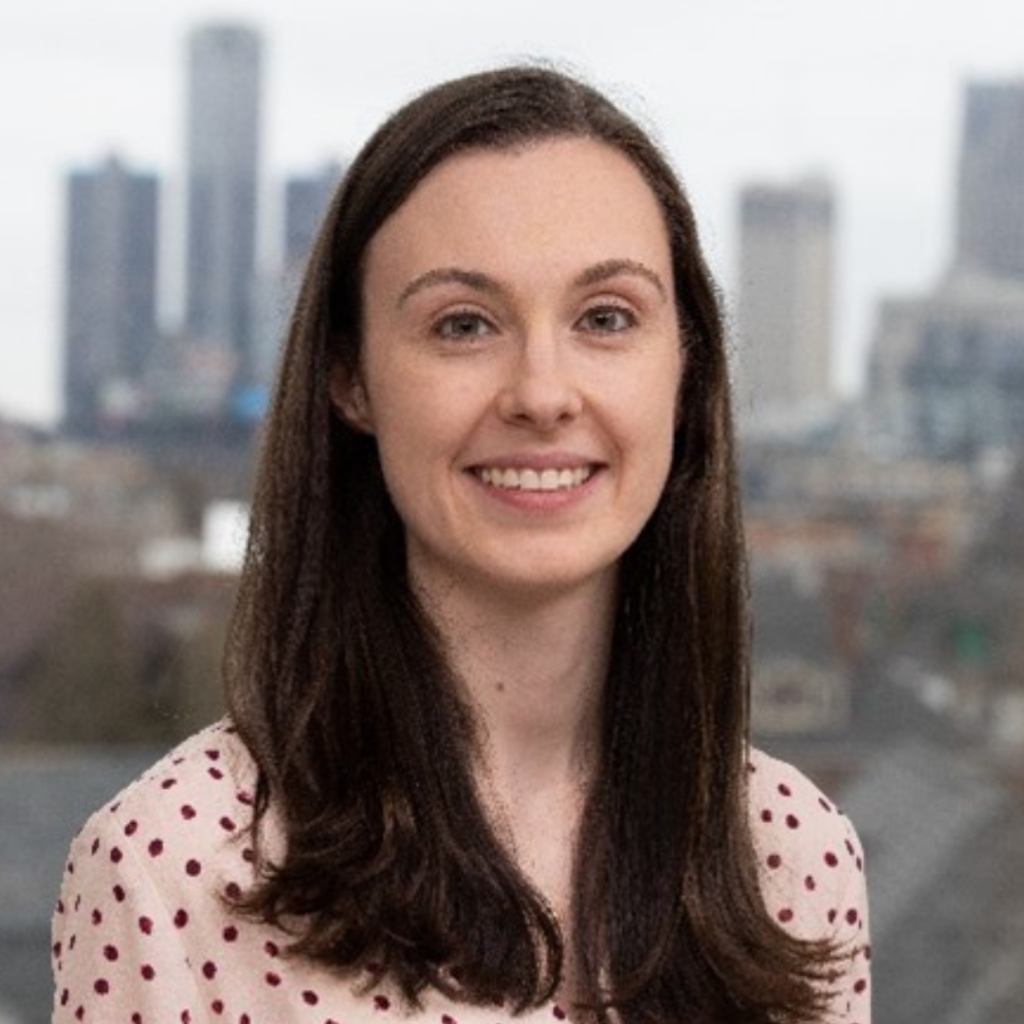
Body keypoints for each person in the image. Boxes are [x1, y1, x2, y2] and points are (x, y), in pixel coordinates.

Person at [52, 65, 870, 1024]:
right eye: (464, 324)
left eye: (606, 317)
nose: (542, 392)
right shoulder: (166, 874)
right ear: (351, 380)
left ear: (685, 372)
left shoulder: (793, 856)